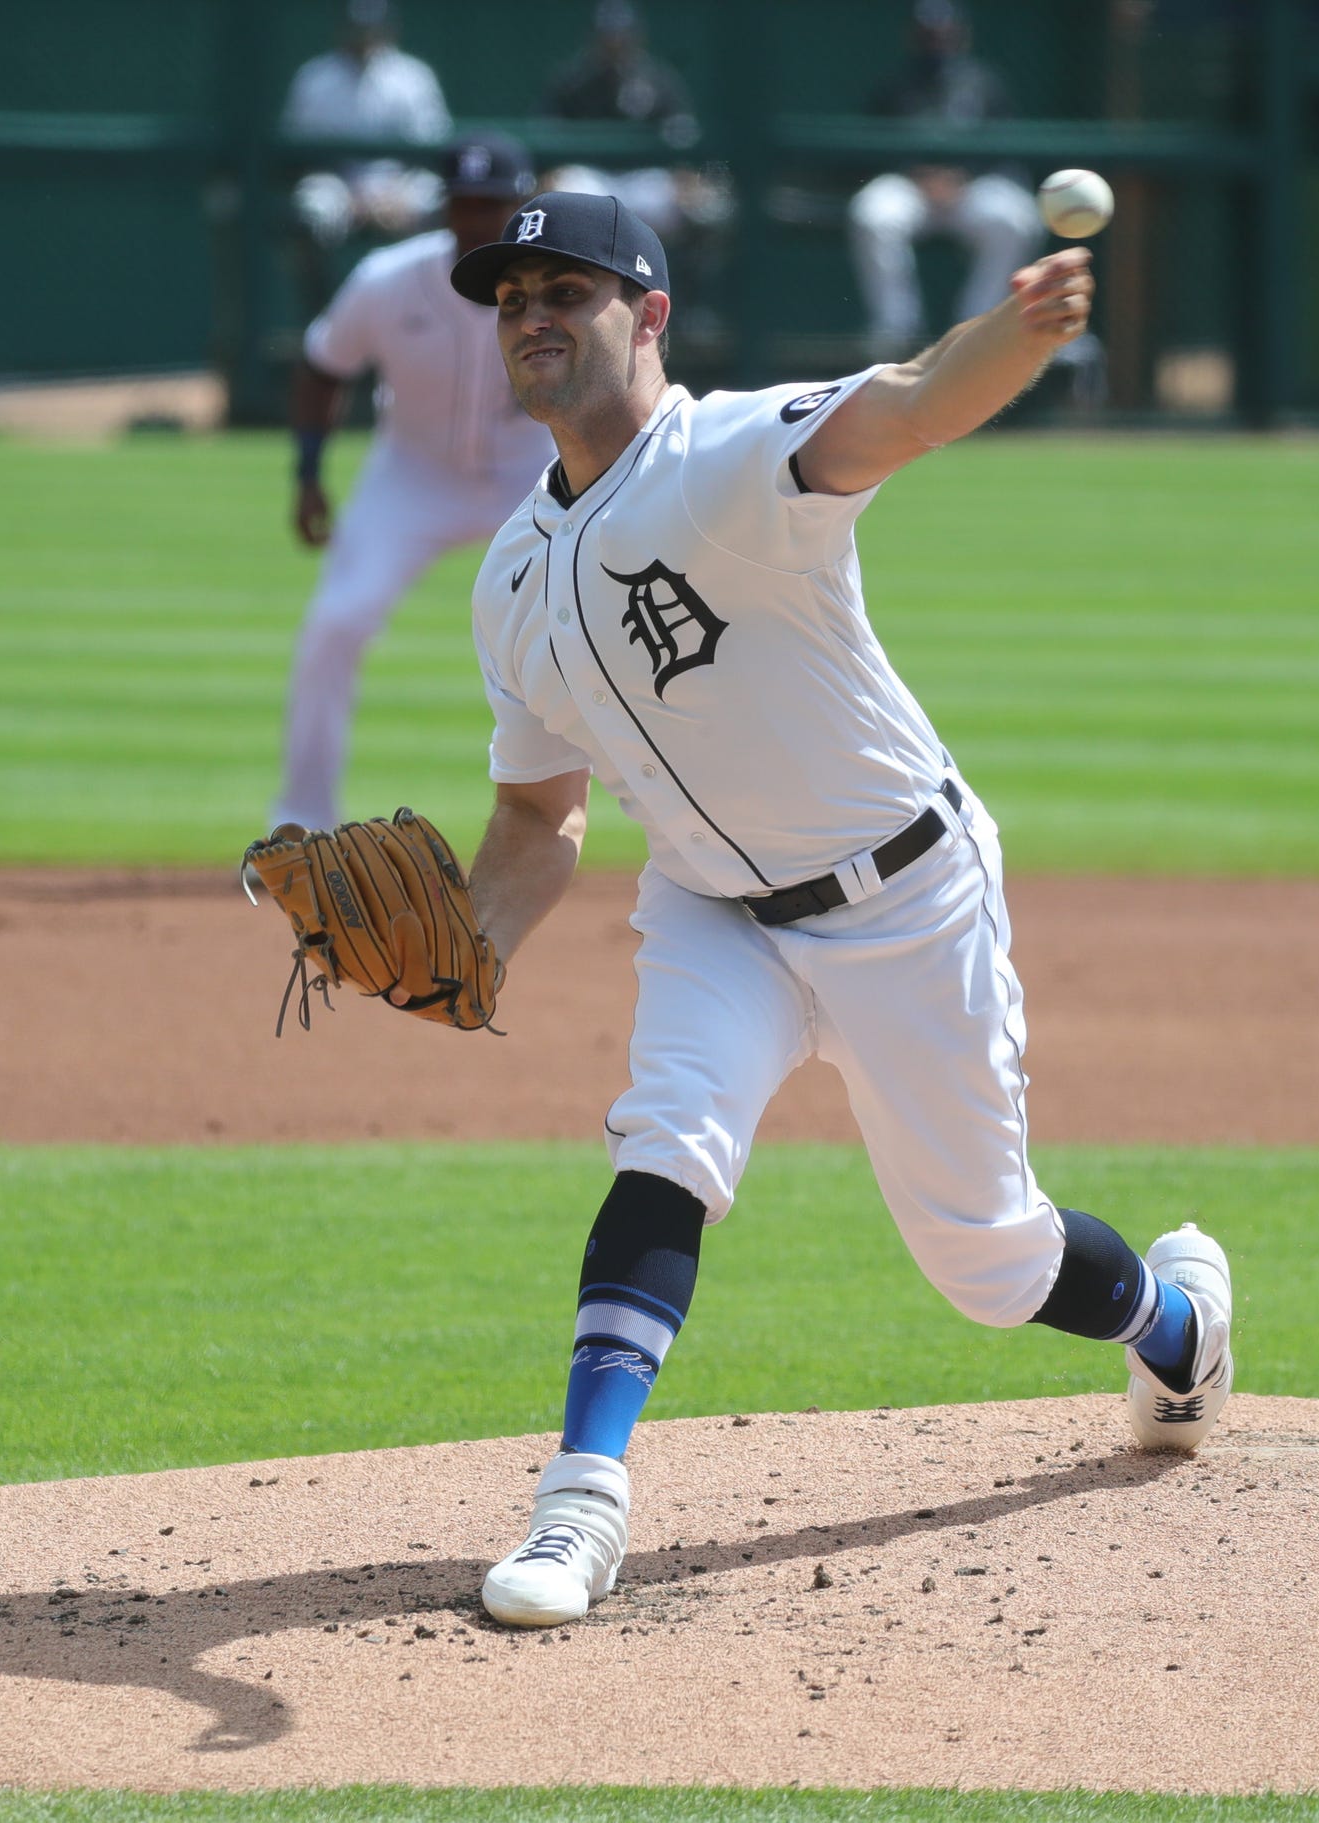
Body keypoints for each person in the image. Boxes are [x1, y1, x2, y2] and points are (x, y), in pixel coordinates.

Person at [440, 191, 1235, 1629]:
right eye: (511, 297)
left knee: (990, 1260)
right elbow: (535, 817)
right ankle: (580, 1506)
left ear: (651, 314)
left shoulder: (732, 453)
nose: (534, 314)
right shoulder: (508, 580)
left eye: (569, 287)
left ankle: (1177, 1323)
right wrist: (470, 942)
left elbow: (917, 405)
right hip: (711, 909)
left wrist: (1022, 328)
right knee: (667, 1138)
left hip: (905, 896)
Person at [269, 134, 555, 834]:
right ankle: (300, 820)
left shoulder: (560, 287)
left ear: (522, 206)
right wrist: (308, 477)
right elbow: (322, 367)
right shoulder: (387, 278)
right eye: (465, 203)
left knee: (603, 625)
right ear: (445, 208)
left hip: (531, 475)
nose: (479, 218)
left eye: (493, 203)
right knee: (336, 622)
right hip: (413, 474)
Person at [846, 0, 1044, 360]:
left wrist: (964, 174)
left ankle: (976, 329)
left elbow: (1004, 146)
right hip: (911, 190)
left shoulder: (984, 82)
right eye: (928, 34)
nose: (936, 41)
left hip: (971, 190)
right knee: (871, 213)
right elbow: (871, 148)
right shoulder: (894, 85)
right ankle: (897, 331)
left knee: (1016, 218)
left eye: (943, 33)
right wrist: (916, 173)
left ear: (960, 35)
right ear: (913, 36)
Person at [541, 0, 726, 248]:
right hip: (591, 178)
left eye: (621, 34)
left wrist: (687, 179)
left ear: (636, 37)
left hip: (645, 180)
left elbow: (683, 139)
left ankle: (685, 280)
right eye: (609, 34)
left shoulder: (659, 79)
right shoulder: (572, 81)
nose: (615, 41)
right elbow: (548, 141)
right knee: (559, 192)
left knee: (704, 206)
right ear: (595, 37)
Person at [279, 0, 452, 256]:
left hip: (402, 187)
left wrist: (395, 195)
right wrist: (354, 199)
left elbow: (433, 148)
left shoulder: (413, 77)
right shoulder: (315, 78)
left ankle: (432, 287)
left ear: (387, 29)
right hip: (338, 187)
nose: (365, 37)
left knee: (437, 199)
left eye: (372, 29)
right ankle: (319, 297)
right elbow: (297, 155)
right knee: (311, 209)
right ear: (342, 30)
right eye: (358, 29)